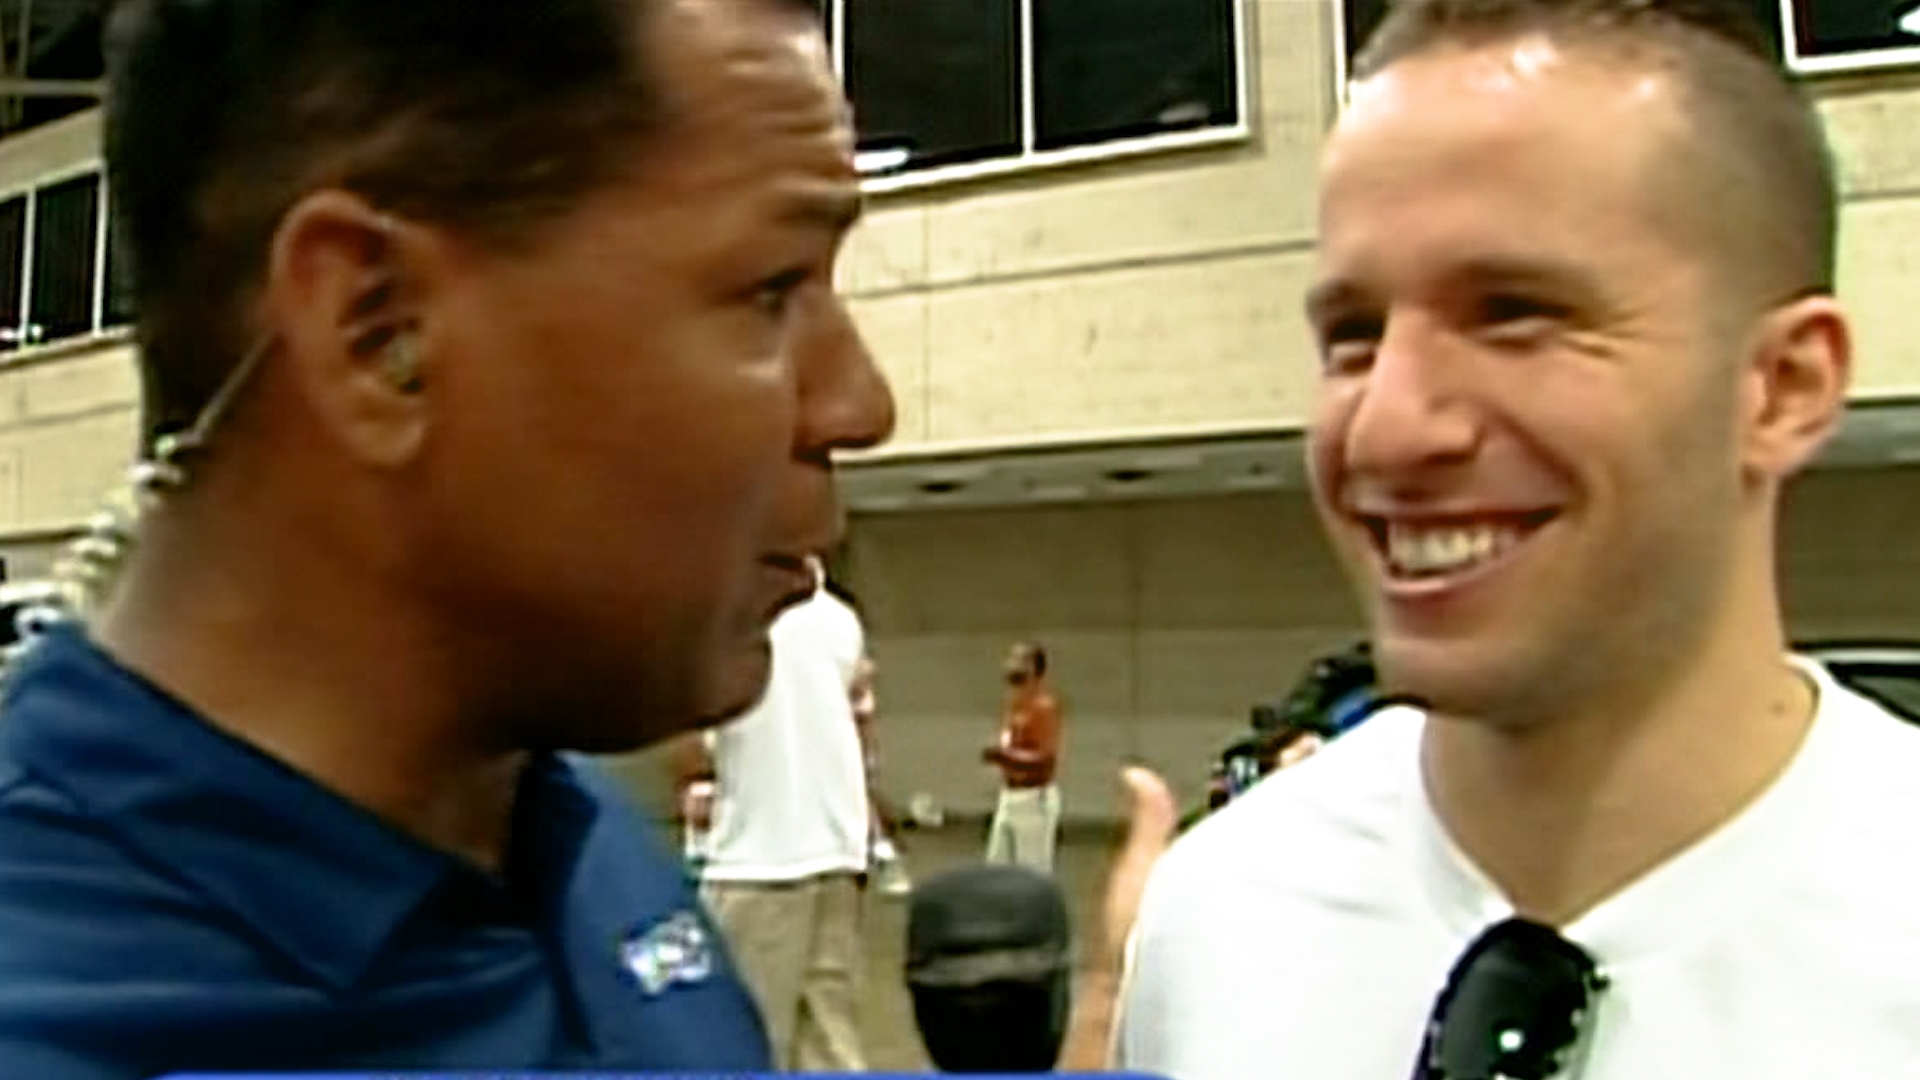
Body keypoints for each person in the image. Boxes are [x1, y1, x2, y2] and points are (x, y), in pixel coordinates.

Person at [0, 0, 892, 1076]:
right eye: (771, 290)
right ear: (377, 334)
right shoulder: (57, 1012)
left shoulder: (589, 859)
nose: (858, 403)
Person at [1092, 1, 1920, 1077]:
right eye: (1353, 335)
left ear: (1782, 388)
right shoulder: (1216, 919)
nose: (1387, 426)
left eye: (1515, 313)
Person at [685, 565, 874, 1072]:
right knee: (830, 1037)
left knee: (739, 1035)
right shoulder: (840, 620)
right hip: (838, 848)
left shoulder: (727, 618)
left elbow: (693, 735)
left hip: (760, 860)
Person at [983, 641, 1064, 872]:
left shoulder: (1043, 705)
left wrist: (1004, 756)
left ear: (1033, 667)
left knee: (1031, 873)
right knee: (997, 869)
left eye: (1017, 660)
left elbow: (1045, 758)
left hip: (1034, 799)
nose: (1009, 665)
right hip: (1009, 796)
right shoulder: (1014, 704)